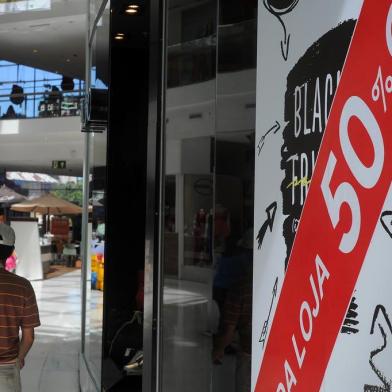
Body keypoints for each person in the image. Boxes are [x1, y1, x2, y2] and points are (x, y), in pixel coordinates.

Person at [0, 224, 40, 391]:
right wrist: (19, 358)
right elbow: (29, 337)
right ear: (10, 252)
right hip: (7, 368)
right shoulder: (23, 286)